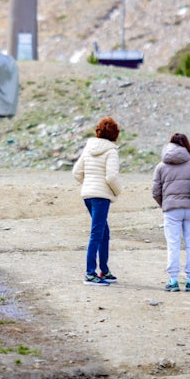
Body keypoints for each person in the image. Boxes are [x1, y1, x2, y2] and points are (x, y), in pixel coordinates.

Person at [72, 117, 122, 285]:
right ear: (115, 134)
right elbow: (112, 177)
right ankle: (90, 273)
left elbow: (76, 172)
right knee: (97, 234)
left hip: (87, 195)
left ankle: (105, 271)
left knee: (103, 233)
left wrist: (88, 184)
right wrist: (117, 191)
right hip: (101, 196)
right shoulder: (111, 151)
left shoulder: (89, 148)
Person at [152, 132, 190, 293]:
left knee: (173, 244)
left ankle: (173, 280)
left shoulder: (161, 166)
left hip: (171, 210)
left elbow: (155, 191)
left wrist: (165, 204)